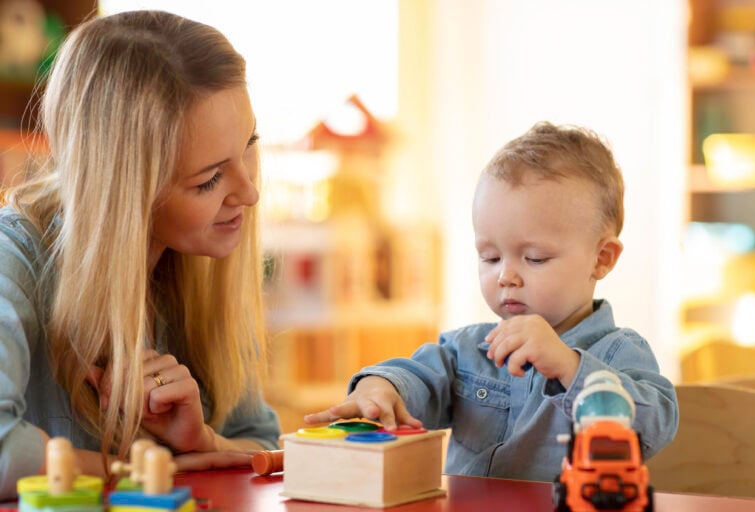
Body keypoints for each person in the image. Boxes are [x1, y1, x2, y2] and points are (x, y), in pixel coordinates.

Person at [0, 10, 281, 499]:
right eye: (208, 179)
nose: (249, 193)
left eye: (249, 144)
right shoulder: (13, 261)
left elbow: (260, 441)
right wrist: (144, 464)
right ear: (124, 191)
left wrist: (199, 441)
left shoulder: (198, 266)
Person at [306, 122, 679, 482]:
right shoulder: (469, 350)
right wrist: (380, 389)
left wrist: (569, 366)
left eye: (534, 258)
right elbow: (417, 377)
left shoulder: (621, 354)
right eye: (490, 257)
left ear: (601, 259)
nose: (506, 276)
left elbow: (654, 425)